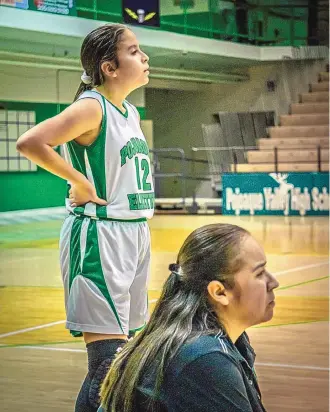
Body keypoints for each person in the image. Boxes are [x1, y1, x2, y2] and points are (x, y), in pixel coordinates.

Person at [16, 23, 154, 412]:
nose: (144, 57)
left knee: (119, 362)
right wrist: (77, 180)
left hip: (133, 234)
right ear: (109, 67)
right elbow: (31, 141)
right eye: (134, 51)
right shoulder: (92, 106)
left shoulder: (129, 112)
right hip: (100, 237)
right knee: (107, 364)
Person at [99, 223, 279, 412]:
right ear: (219, 292)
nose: (273, 282)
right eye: (259, 273)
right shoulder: (205, 358)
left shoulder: (230, 340)